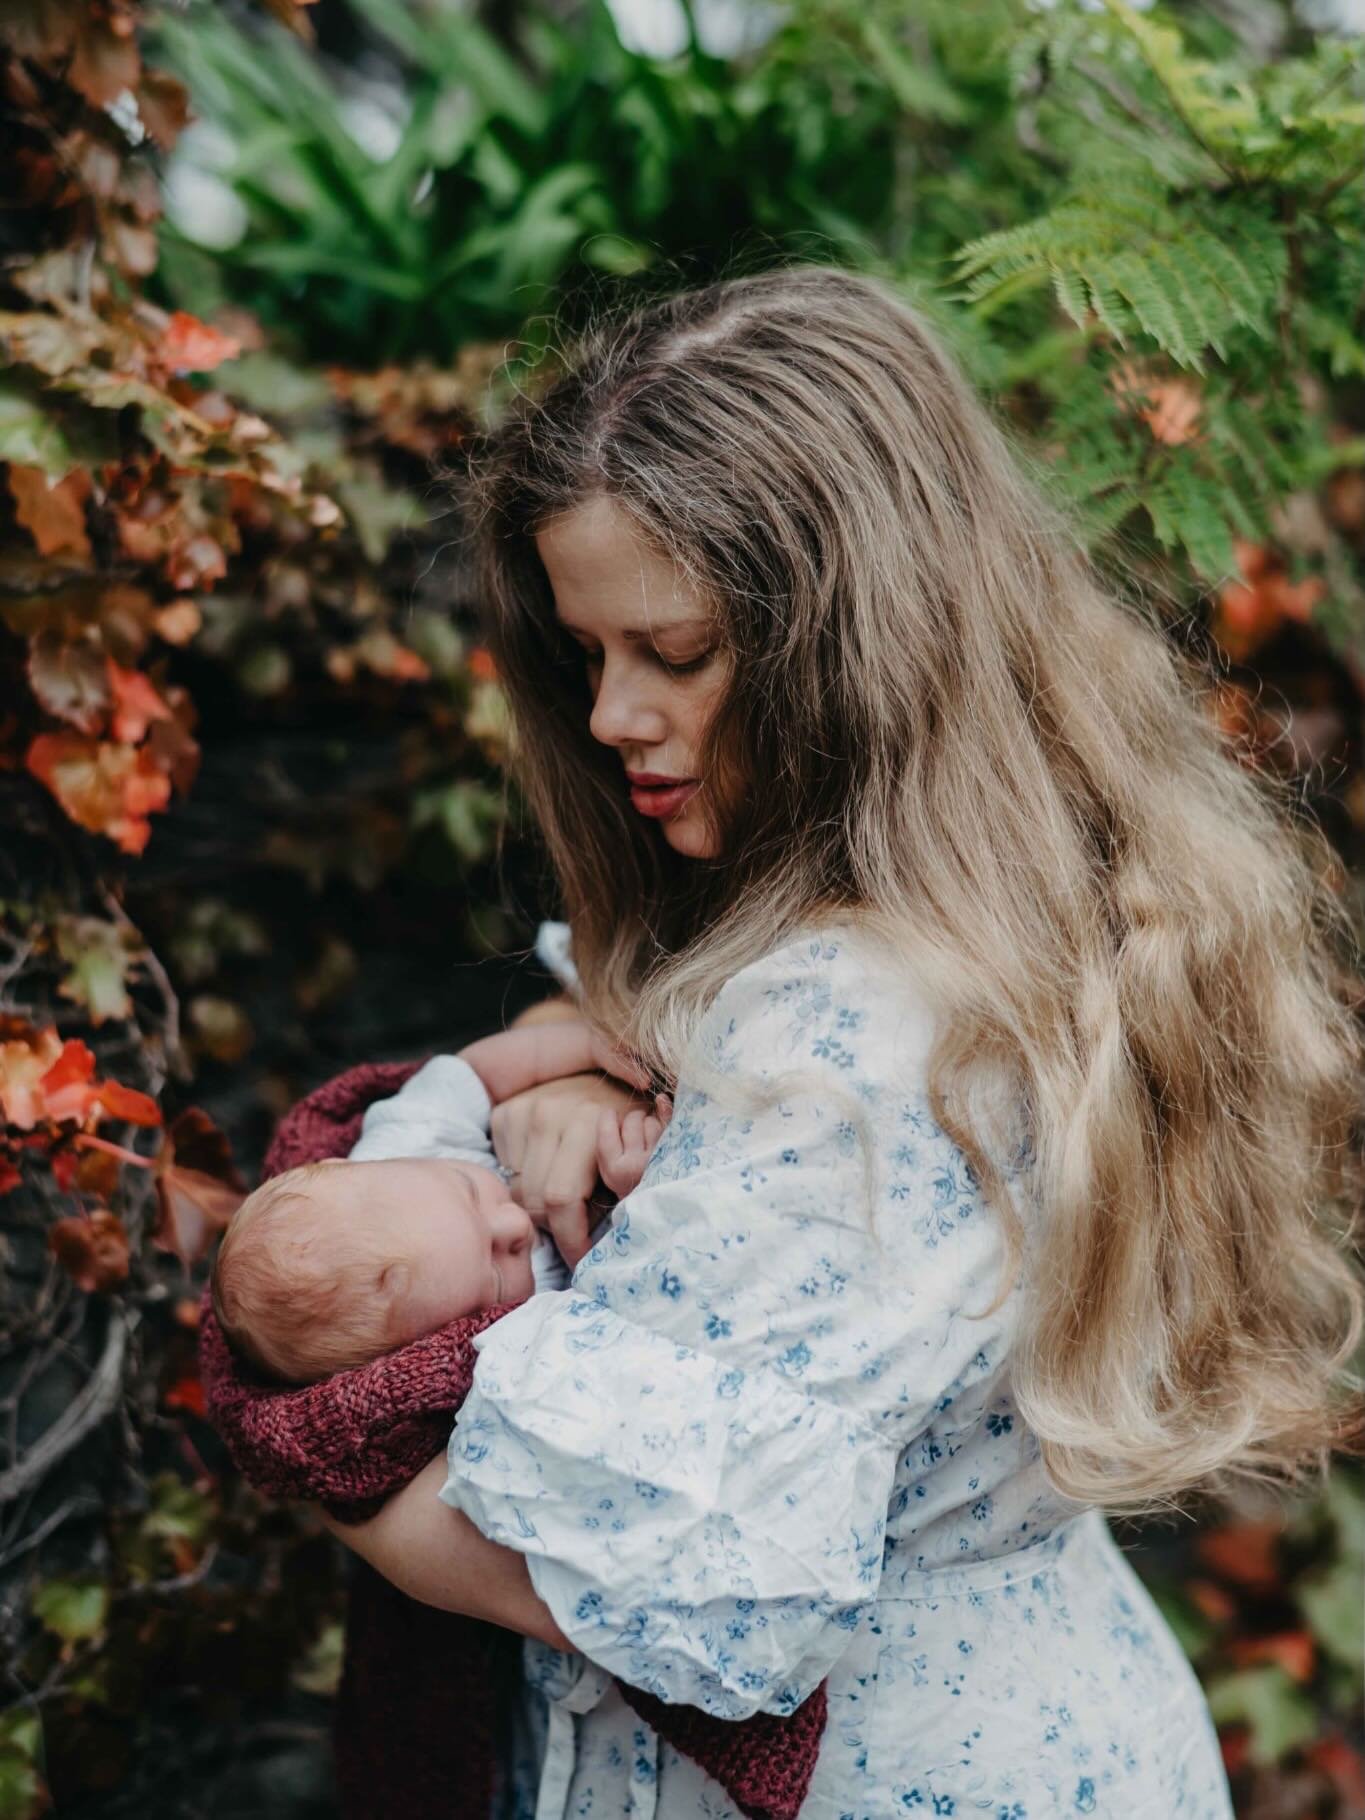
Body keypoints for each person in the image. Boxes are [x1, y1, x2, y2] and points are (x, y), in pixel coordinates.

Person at [315, 265, 1364, 1817]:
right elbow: (624, 1000)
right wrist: (583, 1056)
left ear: (849, 646)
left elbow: (669, 1589)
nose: (608, 717)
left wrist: (318, 1462)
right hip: (1057, 1716)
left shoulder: (845, 1032)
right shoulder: (1017, 894)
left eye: (673, 653)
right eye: (584, 652)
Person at [210, 1020, 667, 1384]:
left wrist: (588, 1046)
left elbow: (477, 1072)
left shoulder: (409, 1136)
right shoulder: (508, 1340)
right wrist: (634, 1194)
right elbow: (631, 1302)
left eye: (468, 1190)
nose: (514, 1225)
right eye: (492, 1274)